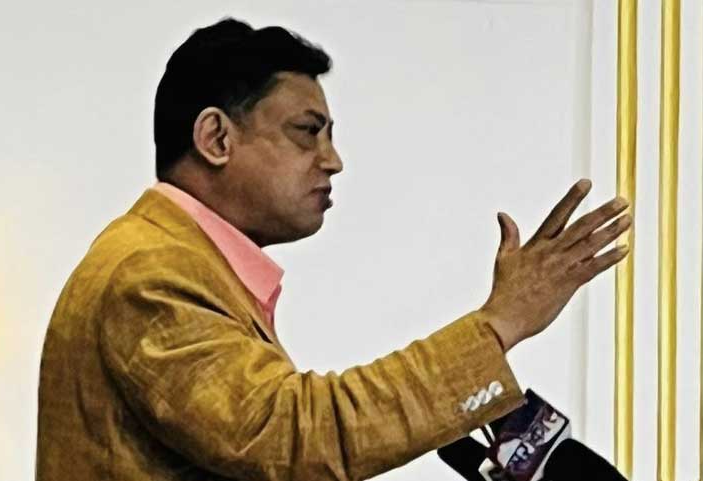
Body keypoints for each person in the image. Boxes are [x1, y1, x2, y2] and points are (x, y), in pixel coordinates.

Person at [36, 16, 632, 481]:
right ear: (216, 137)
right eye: (307, 132)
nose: (333, 160)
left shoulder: (174, 259)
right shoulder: (150, 270)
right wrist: (498, 324)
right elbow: (293, 437)